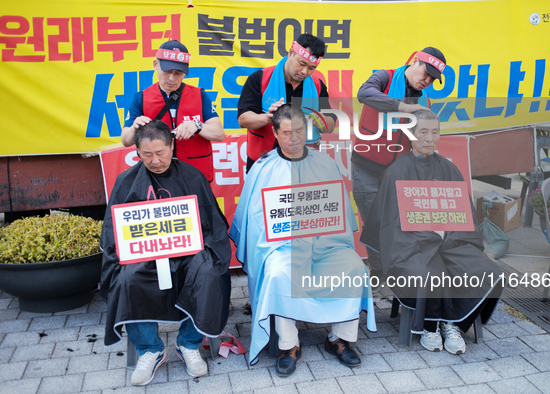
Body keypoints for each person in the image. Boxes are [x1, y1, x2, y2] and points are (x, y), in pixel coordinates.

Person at [230, 104, 375, 376]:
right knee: (279, 271)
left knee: (354, 267)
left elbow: (339, 213)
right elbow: (255, 222)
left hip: (326, 243)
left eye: (299, 131)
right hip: (281, 246)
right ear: (275, 132)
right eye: (286, 132)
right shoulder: (263, 168)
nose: (294, 138)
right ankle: (288, 345)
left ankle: (338, 340)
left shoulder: (325, 163)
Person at [360, 110, 503, 355]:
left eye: (435, 132)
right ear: (411, 135)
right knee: (430, 272)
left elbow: (465, 218)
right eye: (423, 132)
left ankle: (453, 324)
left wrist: (445, 236)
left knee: (486, 270)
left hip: (452, 242)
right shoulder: (397, 171)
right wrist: (425, 237)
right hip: (412, 245)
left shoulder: (450, 170)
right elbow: (389, 225)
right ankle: (430, 327)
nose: (429, 138)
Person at [100, 120, 231, 385]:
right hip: (144, 254)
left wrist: (200, 245)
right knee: (126, 279)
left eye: (160, 152)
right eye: (146, 154)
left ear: (172, 146)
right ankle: (150, 349)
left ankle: (189, 343)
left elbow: (212, 225)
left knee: (208, 272)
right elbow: (114, 231)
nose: (155, 160)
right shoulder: (126, 181)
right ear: (137, 152)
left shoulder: (192, 176)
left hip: (188, 253)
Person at [353, 47, 447, 285]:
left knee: (398, 226)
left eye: (433, 79)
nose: (427, 81)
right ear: (415, 62)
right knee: (372, 225)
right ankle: (378, 276)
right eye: (426, 73)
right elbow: (364, 93)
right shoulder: (384, 77)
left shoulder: (423, 100)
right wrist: (403, 108)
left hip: (398, 172)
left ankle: (396, 276)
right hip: (366, 169)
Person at [120, 40, 224, 182]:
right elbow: (125, 140)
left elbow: (219, 133)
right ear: (156, 65)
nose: (172, 78)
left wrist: (197, 125)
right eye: (167, 72)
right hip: (156, 175)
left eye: (178, 73)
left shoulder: (200, 95)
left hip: (194, 174)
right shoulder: (141, 98)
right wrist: (135, 127)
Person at [237, 33, 336, 172]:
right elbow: (243, 119)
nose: (304, 71)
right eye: (302, 64)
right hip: (263, 160)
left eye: (311, 68)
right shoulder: (260, 79)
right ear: (290, 53)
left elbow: (330, 125)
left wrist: (321, 120)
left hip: (303, 162)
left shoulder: (317, 86)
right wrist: (267, 117)